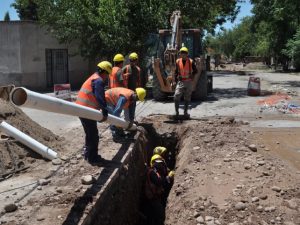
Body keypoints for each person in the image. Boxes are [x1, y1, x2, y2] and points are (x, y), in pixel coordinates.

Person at [76, 61, 112, 164]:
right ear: (104, 72)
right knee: (93, 135)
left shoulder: (93, 77)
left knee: (89, 133)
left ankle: (88, 154)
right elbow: (100, 97)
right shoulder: (98, 81)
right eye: (107, 74)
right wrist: (105, 112)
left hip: (82, 109)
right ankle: (93, 158)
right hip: (86, 111)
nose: (107, 77)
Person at [144, 156, 175, 225]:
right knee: (160, 215)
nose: (160, 165)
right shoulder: (152, 172)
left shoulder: (157, 172)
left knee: (156, 215)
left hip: (156, 196)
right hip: (153, 198)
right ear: (153, 163)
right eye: (158, 163)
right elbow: (159, 182)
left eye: (161, 163)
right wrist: (169, 177)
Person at [174, 47, 198, 118]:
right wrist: (175, 80)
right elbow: (175, 72)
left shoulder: (191, 61)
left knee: (187, 98)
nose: (183, 54)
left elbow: (195, 71)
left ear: (187, 54)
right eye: (182, 53)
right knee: (176, 96)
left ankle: (185, 113)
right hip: (181, 81)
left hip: (188, 82)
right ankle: (177, 112)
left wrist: (192, 75)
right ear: (180, 54)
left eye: (184, 53)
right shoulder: (178, 61)